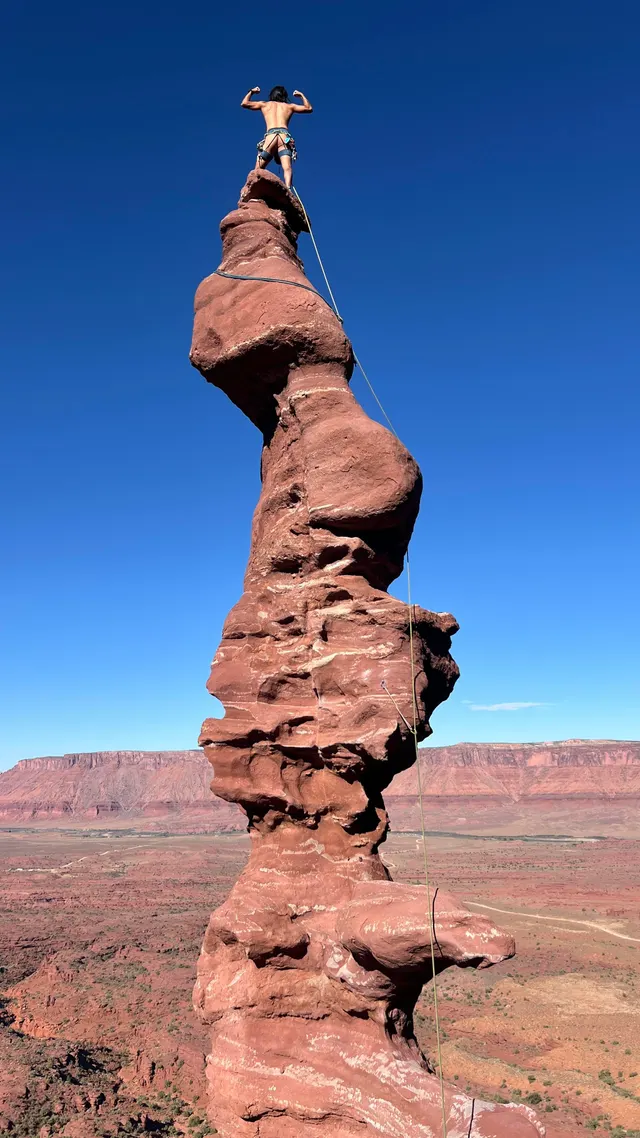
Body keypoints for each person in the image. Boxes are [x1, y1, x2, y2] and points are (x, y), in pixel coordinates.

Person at [241, 85, 313, 189]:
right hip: (284, 137)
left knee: (258, 168)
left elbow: (244, 103)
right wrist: (301, 95)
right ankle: (288, 188)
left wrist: (252, 91)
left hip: (271, 136)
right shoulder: (289, 106)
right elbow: (308, 108)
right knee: (287, 168)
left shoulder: (264, 104)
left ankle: (253, 188)